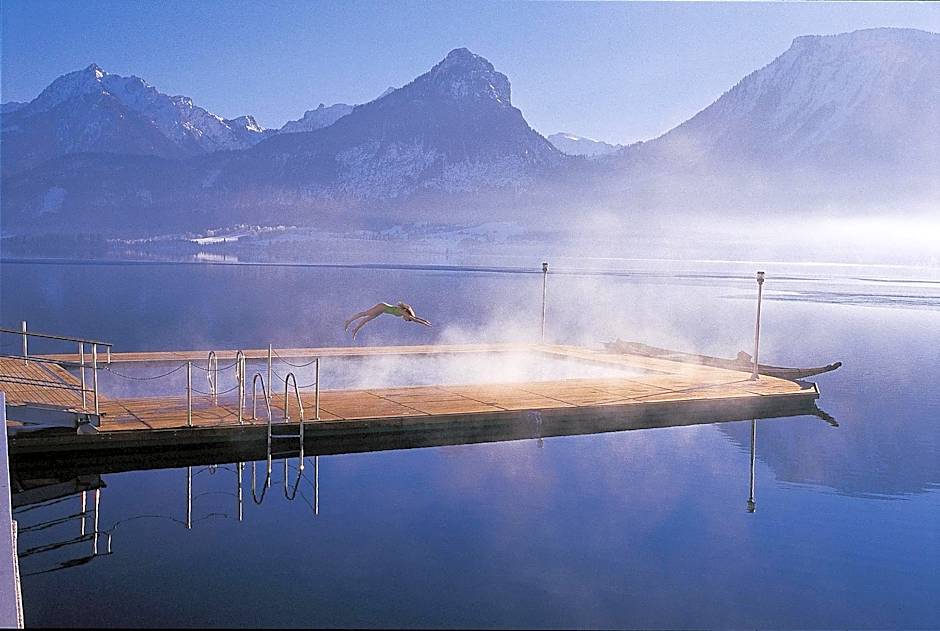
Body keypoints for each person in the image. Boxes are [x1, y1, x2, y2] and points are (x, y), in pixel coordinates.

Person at [344, 302, 431, 339]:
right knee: (365, 314)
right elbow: (414, 319)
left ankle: (355, 330)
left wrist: (425, 321)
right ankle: (349, 321)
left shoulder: (406, 314)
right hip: (382, 307)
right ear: (407, 316)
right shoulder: (403, 312)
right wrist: (424, 323)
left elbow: (415, 318)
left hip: (383, 310)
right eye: (407, 320)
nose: (405, 320)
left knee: (367, 319)